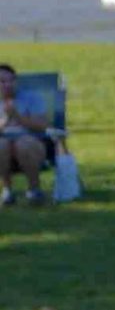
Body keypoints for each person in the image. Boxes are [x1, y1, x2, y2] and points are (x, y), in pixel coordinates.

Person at [0, 63, 53, 205]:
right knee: (1, 145)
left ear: (16, 81)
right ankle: (7, 190)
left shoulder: (32, 98)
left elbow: (43, 125)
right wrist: (5, 120)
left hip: (32, 144)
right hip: (4, 146)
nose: (7, 85)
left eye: (11, 80)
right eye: (2, 81)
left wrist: (18, 117)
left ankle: (34, 190)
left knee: (24, 144)